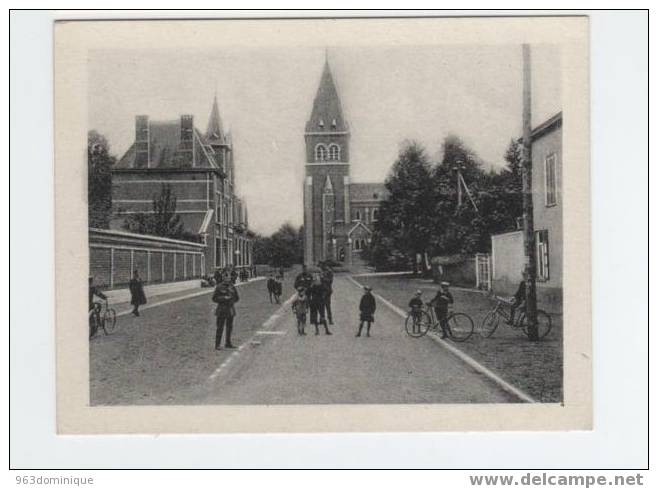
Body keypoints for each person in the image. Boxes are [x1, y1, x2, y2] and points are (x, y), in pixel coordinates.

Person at [212, 272, 240, 350]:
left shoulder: (232, 286)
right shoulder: (219, 287)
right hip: (221, 310)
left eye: (229, 277)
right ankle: (217, 344)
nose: (228, 279)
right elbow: (214, 298)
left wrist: (232, 300)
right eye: (226, 277)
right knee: (220, 327)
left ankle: (228, 342)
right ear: (223, 278)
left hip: (230, 309)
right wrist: (224, 298)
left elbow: (237, 297)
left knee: (229, 327)